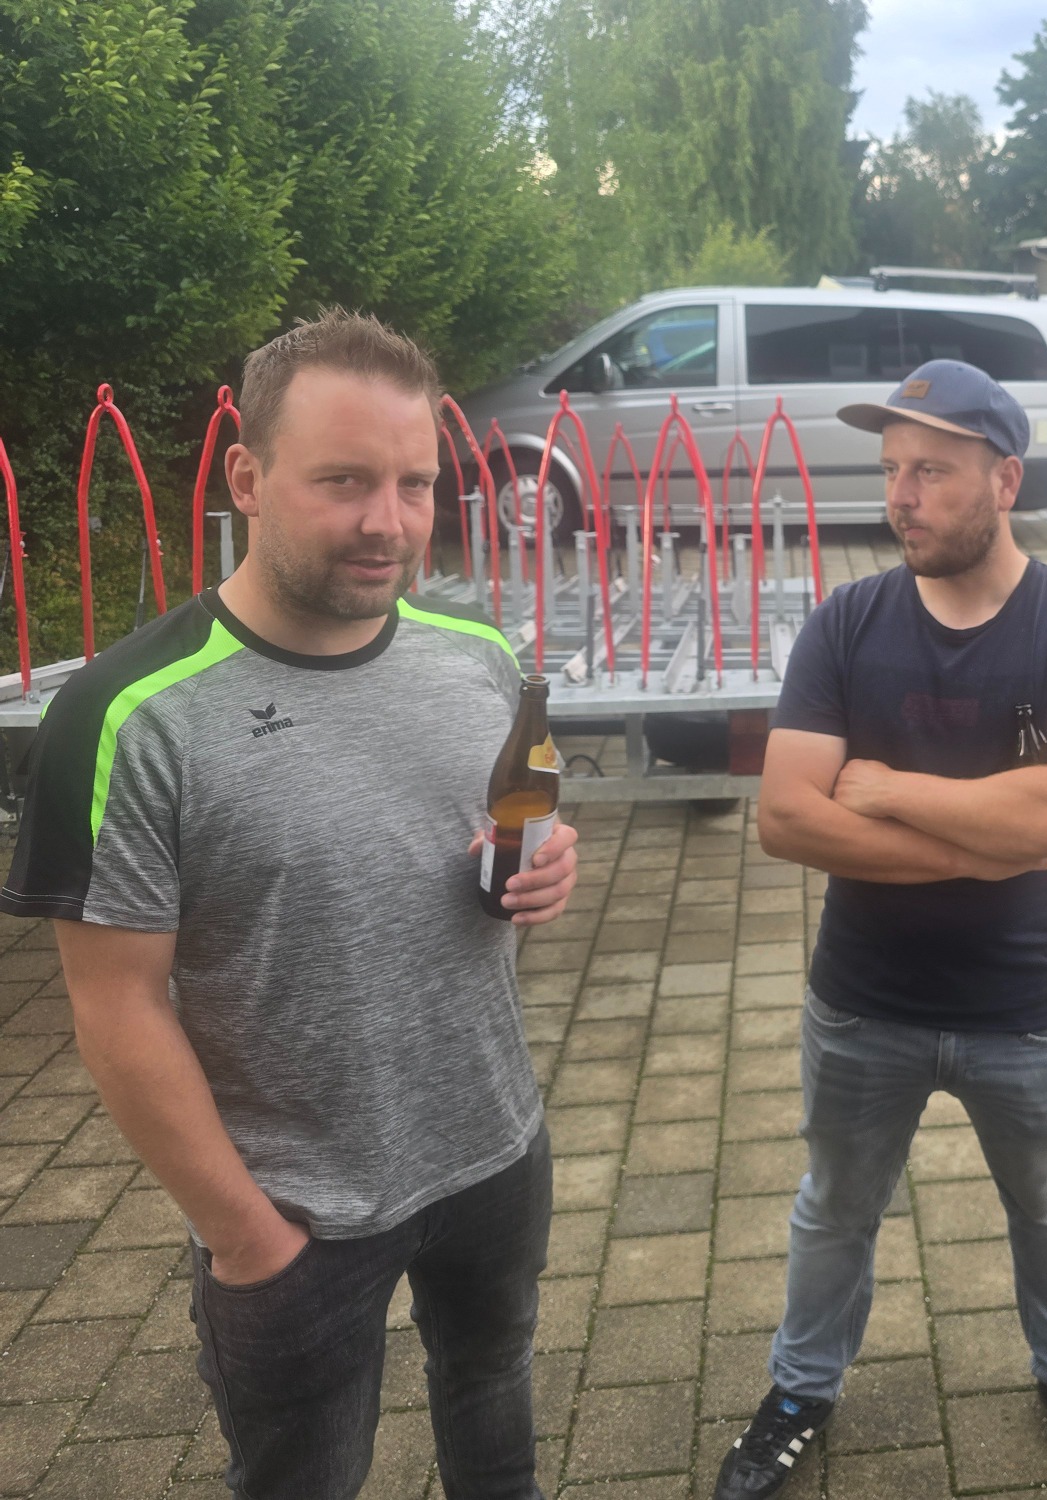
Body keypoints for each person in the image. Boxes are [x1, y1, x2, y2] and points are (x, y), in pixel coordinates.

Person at [1, 310, 580, 1500]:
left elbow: (508, 830)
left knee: (493, 1402)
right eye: (343, 481)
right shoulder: (128, 714)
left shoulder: (475, 653)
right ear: (247, 479)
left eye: (413, 484)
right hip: (295, 1210)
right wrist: (246, 1237)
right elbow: (114, 1006)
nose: (388, 522)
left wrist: (545, 865)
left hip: (493, 1145)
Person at [716, 359, 1047, 1499]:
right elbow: (785, 818)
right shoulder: (847, 622)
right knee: (834, 1211)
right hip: (864, 1003)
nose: (900, 497)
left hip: (1025, 1008)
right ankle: (801, 1390)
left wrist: (890, 789)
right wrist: (985, 844)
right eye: (891, 470)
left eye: (932, 472)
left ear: (1004, 481)